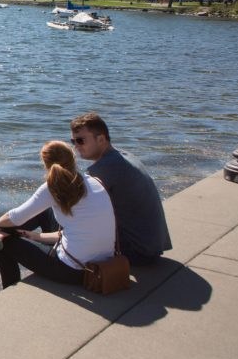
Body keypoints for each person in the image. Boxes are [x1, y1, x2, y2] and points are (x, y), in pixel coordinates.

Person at [0, 141, 116, 289]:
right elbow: (80, 231)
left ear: (46, 164)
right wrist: (35, 236)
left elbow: (16, 217)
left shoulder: (52, 187)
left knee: (3, 244)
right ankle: (1, 233)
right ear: (73, 159)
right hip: (105, 265)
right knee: (43, 211)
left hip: (74, 272)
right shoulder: (95, 182)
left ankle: (9, 286)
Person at [70, 112, 172, 264]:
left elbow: (76, 210)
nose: (76, 147)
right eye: (73, 141)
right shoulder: (124, 156)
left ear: (101, 139)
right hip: (151, 246)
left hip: (137, 252)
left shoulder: (104, 168)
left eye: (80, 141)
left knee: (50, 214)